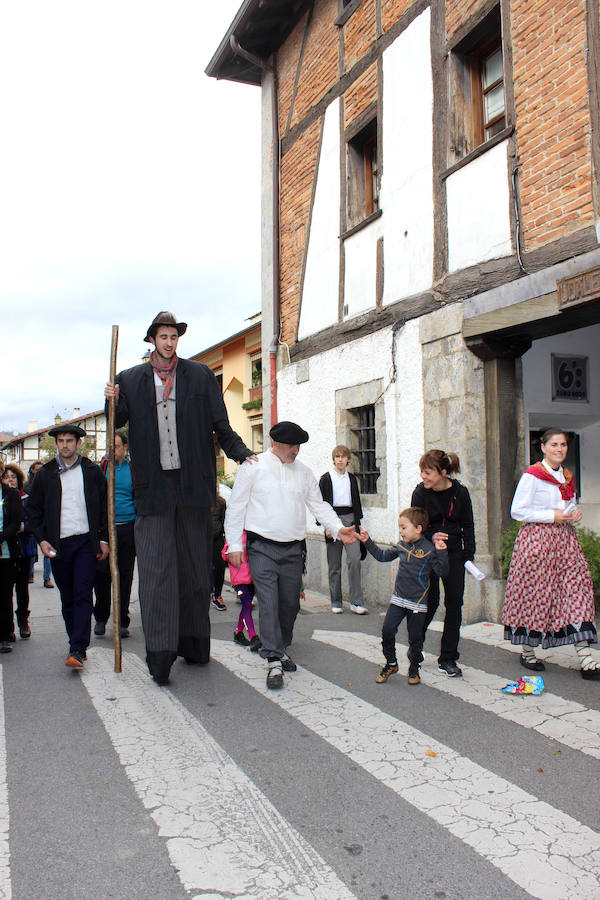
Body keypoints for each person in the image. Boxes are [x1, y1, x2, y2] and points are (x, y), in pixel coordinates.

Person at [104, 311, 255, 685]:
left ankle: (193, 644)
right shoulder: (131, 379)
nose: (169, 342)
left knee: (193, 573)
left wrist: (243, 454)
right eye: (163, 336)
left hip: (192, 487)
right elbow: (115, 422)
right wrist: (110, 399)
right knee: (156, 573)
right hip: (152, 490)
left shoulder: (200, 376)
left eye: (174, 336)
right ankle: (160, 656)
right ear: (152, 340)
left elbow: (221, 425)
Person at [225, 421, 357, 690]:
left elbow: (319, 506)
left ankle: (280, 646)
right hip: (261, 547)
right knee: (269, 601)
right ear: (274, 443)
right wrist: (234, 546)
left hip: (293, 549)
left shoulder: (304, 473)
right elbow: (236, 507)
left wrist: (338, 528)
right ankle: (273, 658)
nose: (295, 451)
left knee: (290, 604)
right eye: (290, 446)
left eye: (298, 446)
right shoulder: (253, 466)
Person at [502, 428, 600, 680]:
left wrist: (573, 512)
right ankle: (528, 650)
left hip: (565, 542)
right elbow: (518, 511)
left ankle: (587, 659)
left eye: (563, 445)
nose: (560, 449)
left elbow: (568, 505)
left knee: (576, 591)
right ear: (543, 448)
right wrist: (552, 516)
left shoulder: (567, 476)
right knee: (535, 594)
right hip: (536, 542)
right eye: (554, 444)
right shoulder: (532, 476)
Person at [26, 424, 109, 668]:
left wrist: (103, 539)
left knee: (83, 592)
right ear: (56, 444)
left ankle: (78, 648)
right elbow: (33, 510)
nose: (65, 445)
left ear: (78, 443)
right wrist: (41, 539)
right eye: (60, 441)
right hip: (58, 544)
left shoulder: (92, 471)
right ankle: (75, 640)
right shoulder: (45, 474)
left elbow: (105, 507)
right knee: (68, 597)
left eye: (69, 440)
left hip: (85, 541)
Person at [358, 508, 448, 685]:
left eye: (404, 527)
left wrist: (442, 551)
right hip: (398, 599)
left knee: (415, 638)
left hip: (418, 603)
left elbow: (442, 571)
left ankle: (414, 669)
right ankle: (391, 664)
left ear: (418, 528)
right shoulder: (401, 546)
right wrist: (367, 541)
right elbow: (382, 556)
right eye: (400, 527)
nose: (401, 531)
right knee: (387, 630)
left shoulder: (429, 550)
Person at [411, 450, 475, 678]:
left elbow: (468, 524)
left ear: (443, 473)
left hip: (455, 555)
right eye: (422, 472)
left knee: (454, 604)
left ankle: (448, 658)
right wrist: (431, 537)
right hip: (428, 555)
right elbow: (414, 526)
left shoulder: (460, 493)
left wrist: (469, 555)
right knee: (429, 602)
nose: (423, 476)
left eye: (428, 472)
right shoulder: (420, 493)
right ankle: (415, 650)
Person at [93, 431, 136, 639]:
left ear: (125, 447)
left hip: (127, 528)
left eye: (117, 446)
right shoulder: (101, 468)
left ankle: (122, 621)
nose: (113, 450)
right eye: (110, 446)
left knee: (125, 576)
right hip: (105, 530)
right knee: (102, 575)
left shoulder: (132, 469)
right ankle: (101, 617)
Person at [319, 445, 367, 615]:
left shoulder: (352, 479)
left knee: (354, 559)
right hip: (332, 519)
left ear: (348, 459)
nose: (340, 459)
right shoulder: (326, 478)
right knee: (334, 564)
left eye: (343, 456)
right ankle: (336, 601)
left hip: (350, 519)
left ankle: (356, 602)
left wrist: (358, 523)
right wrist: (326, 525)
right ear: (334, 459)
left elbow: (356, 502)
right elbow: (321, 504)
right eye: (337, 456)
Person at [1, 464, 35, 638]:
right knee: (6, 590)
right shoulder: (4, 497)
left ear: (19, 479)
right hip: (8, 548)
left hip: (24, 549)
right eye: (6, 477)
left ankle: (23, 618)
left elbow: (34, 521)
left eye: (13, 477)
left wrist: (21, 526)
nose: (10, 480)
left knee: (22, 588)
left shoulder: (25, 498)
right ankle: (8, 627)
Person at [0, 460, 25, 653]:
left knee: (4, 596)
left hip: (6, 552)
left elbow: (15, 523)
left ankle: (5, 635)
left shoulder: (11, 494)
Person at [222, 532, 261, 651]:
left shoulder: (253, 533)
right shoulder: (235, 534)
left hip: (252, 578)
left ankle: (238, 632)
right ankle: (253, 636)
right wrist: (237, 550)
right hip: (239, 580)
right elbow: (224, 554)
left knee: (246, 606)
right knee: (247, 605)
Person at [25, 461, 54, 588]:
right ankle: (29, 573)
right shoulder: (27, 486)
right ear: (32, 471)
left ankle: (47, 578)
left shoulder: (49, 484)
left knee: (48, 552)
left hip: (46, 522)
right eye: (37, 469)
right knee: (31, 550)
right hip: (32, 521)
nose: (39, 472)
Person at [210, 485, 227, 611]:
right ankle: (210, 593)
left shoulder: (221, 502)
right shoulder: (202, 502)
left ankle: (218, 594)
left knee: (220, 566)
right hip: (203, 539)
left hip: (217, 538)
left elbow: (224, 520)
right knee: (207, 567)